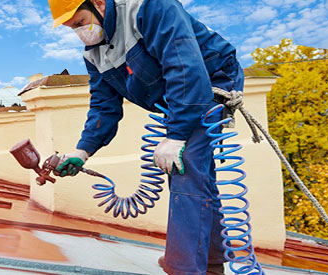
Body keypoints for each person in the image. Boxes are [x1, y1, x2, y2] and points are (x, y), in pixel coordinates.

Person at [49, 0, 245, 274]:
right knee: (195, 171)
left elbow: (184, 66)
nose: (80, 32)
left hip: (210, 80)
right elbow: (103, 106)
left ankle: (185, 267)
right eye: (72, 28)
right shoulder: (94, 54)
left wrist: (177, 135)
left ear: (98, 4)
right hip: (179, 95)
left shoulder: (150, 8)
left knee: (184, 162)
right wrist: (82, 152)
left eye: (80, 22)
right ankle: (208, 262)